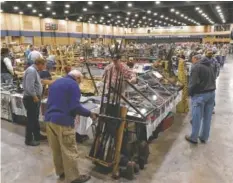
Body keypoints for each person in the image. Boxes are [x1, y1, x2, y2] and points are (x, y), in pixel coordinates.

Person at [45, 70, 97, 183]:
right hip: (63, 122)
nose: (79, 83)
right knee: (69, 150)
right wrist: (90, 114)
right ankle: (73, 177)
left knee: (56, 149)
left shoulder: (56, 82)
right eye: (80, 81)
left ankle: (61, 172)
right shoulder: (73, 85)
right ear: (77, 78)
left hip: (49, 120)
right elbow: (75, 107)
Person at [186, 52, 216, 144]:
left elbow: (193, 83)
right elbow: (214, 77)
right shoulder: (211, 64)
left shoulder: (196, 67)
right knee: (207, 117)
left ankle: (193, 138)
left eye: (192, 59)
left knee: (196, 117)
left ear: (195, 58)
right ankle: (204, 137)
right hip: (211, 94)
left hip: (200, 95)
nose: (191, 61)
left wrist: (189, 93)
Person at [22, 58, 46, 146]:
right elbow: (29, 86)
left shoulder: (34, 70)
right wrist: (35, 96)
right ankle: (28, 140)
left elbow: (35, 83)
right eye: (44, 65)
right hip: (31, 99)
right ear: (40, 64)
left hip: (34, 98)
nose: (44, 67)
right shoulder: (32, 71)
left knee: (35, 118)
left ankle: (37, 135)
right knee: (31, 119)